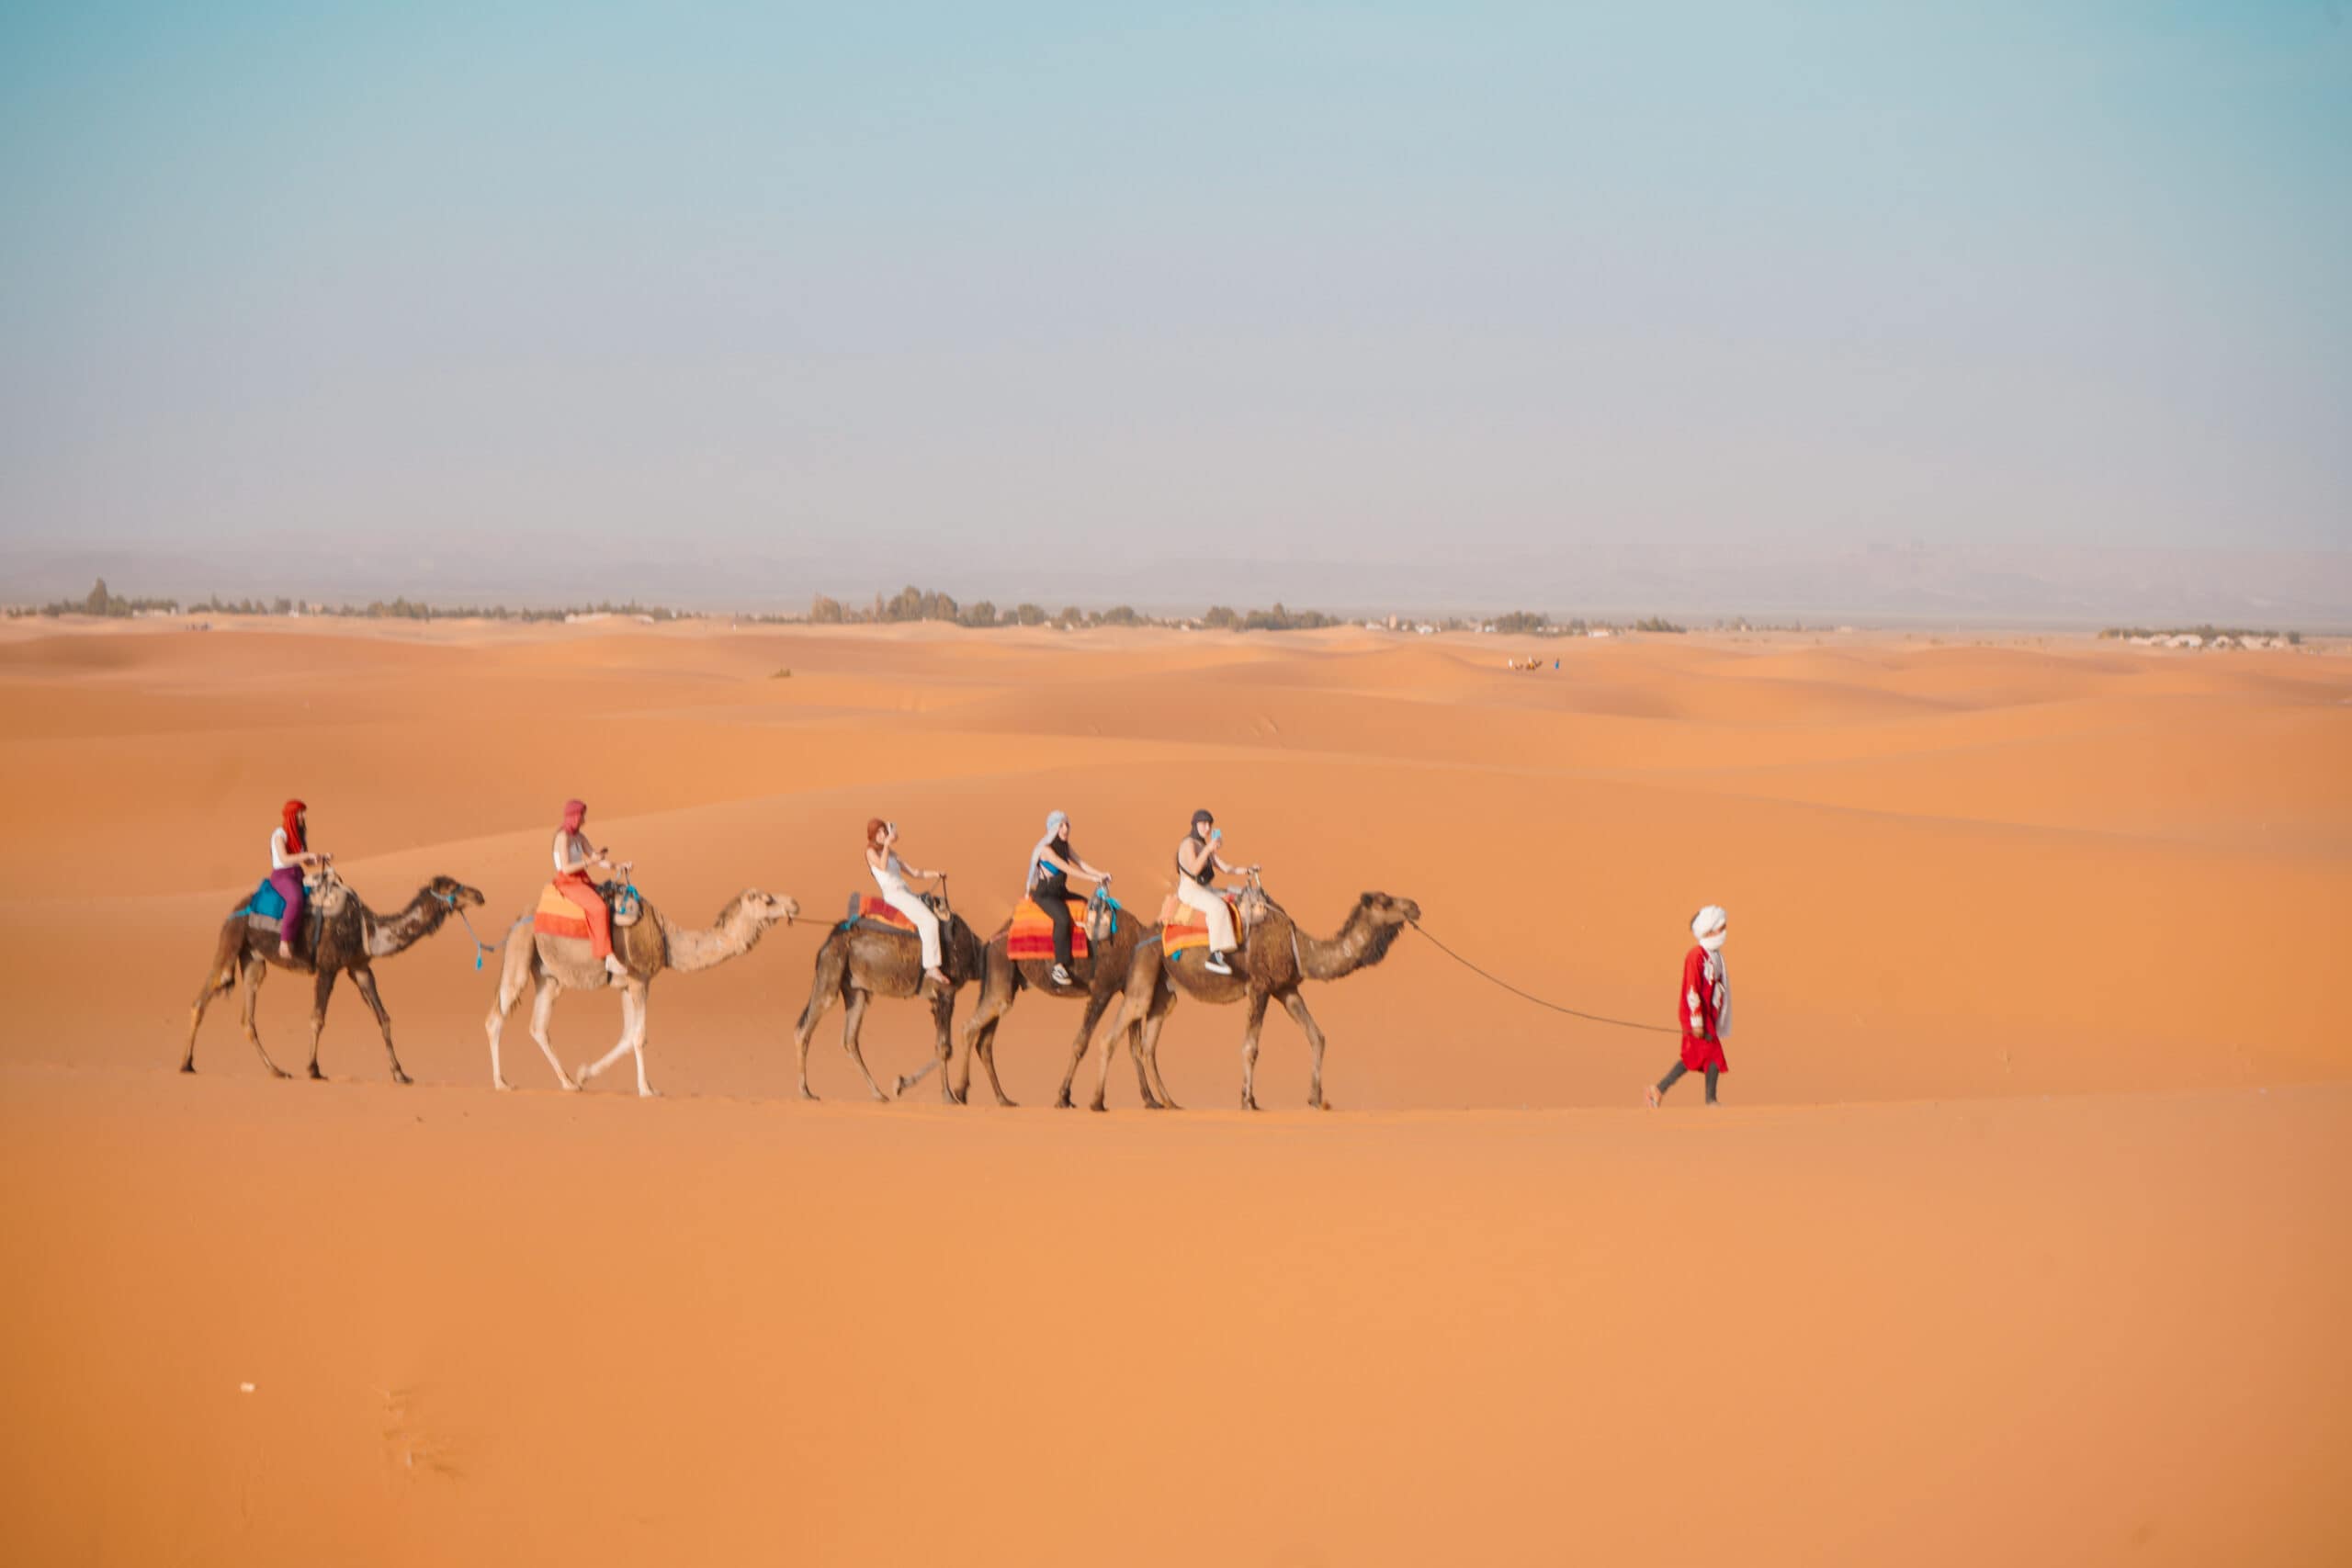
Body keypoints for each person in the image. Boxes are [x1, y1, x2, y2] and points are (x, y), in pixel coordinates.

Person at [1649, 905, 1732, 1107]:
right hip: (1697, 1017)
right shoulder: (1696, 956)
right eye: (1720, 928)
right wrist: (1696, 1021)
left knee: (1694, 1057)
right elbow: (1692, 989)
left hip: (1708, 1016)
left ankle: (1659, 1090)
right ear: (1709, 931)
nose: (1724, 931)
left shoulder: (1715, 956)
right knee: (1712, 1055)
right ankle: (1710, 1100)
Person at [1023, 809, 1111, 987]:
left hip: (1060, 891)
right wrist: (1092, 879)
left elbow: (1081, 863)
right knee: (1062, 918)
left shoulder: (1065, 846)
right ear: (1053, 828)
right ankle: (1059, 966)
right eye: (1061, 825)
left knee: (1085, 904)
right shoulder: (1046, 850)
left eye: (1067, 825)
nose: (1065, 829)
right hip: (1045, 894)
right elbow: (1067, 868)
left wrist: (1101, 874)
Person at [552, 798, 629, 978]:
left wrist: (618, 866)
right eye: (581, 816)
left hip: (582, 879)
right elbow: (566, 868)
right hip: (567, 882)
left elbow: (597, 858)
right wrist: (590, 862)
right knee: (599, 908)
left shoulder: (580, 837)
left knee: (613, 897)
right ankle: (608, 956)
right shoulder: (563, 837)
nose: (584, 819)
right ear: (574, 816)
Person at [868, 818, 949, 987]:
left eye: (884, 831)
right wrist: (887, 844)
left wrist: (936, 873)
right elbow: (882, 867)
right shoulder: (870, 852)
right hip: (894, 895)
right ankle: (931, 968)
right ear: (873, 835)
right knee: (930, 922)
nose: (882, 835)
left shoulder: (891, 853)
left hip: (906, 892)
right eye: (879, 832)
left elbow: (914, 872)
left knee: (935, 914)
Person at [1174, 808, 1254, 976]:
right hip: (1190, 890)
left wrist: (1248, 870)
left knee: (1238, 896)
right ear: (1195, 824)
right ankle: (1215, 955)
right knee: (1218, 907)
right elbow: (1194, 869)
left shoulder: (1203, 845)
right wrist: (1209, 849)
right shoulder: (1188, 844)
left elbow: (1226, 868)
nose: (1207, 828)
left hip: (1205, 888)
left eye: (1209, 824)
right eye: (1203, 823)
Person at [266, 799, 329, 962]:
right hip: (282, 876)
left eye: (303, 812)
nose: (304, 816)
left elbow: (307, 863)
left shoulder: (300, 835)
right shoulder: (279, 834)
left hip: (298, 874)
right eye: (300, 813)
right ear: (291, 815)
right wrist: (306, 855)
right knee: (295, 899)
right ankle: (284, 942)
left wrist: (321, 858)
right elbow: (284, 858)